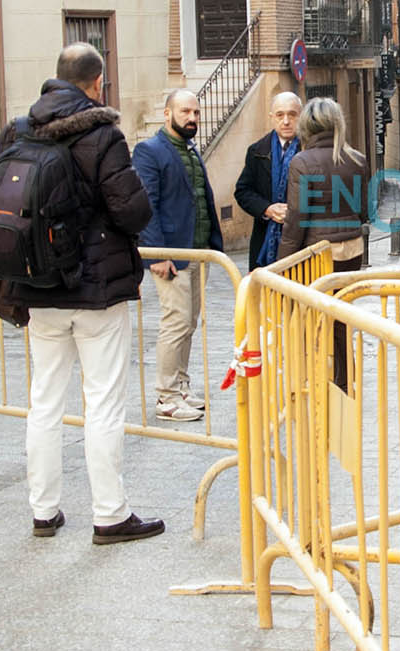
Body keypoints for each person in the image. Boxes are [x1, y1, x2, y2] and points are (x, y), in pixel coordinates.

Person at [0, 43, 164, 544]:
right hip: (96, 290)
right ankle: (110, 514)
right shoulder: (101, 132)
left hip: (38, 283)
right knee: (103, 403)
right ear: (96, 83)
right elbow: (133, 211)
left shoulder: (18, 129)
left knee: (44, 401)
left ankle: (43, 511)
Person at [134, 89, 223, 422]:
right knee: (175, 323)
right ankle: (167, 397)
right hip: (170, 254)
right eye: (185, 111)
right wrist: (156, 253)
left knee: (189, 323)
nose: (192, 118)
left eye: (196, 113)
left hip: (198, 251)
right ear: (167, 113)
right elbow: (146, 205)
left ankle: (181, 385)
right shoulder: (149, 151)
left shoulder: (189, 150)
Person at [276, 97, 370, 387]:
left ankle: (313, 381)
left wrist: (282, 265)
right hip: (352, 250)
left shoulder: (301, 162)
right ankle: (344, 381)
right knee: (341, 319)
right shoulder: (357, 160)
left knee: (310, 318)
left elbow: (296, 220)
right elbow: (364, 210)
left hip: (316, 253)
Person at [234, 91, 302, 269]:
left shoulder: (310, 151)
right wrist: (267, 209)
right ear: (272, 117)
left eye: (292, 115)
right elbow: (243, 191)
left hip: (301, 241)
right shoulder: (257, 151)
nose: (286, 121)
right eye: (280, 115)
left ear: (301, 116)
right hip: (264, 239)